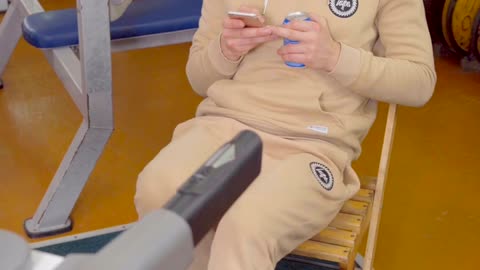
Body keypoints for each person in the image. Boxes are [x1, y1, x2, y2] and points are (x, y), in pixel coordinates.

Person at [134, 0, 437, 269]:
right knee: (157, 189)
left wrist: (335, 57)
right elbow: (198, 78)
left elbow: (419, 82)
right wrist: (225, 49)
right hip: (223, 127)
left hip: (313, 146)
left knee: (247, 224)